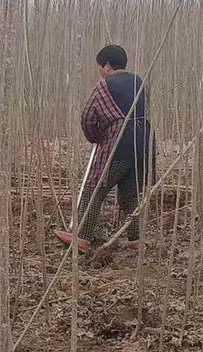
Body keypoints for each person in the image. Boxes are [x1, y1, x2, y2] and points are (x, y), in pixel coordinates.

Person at [58, 44, 153, 252]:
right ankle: (137, 240)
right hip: (145, 143)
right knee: (132, 193)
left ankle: (82, 237)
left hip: (118, 143)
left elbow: (88, 117)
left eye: (101, 67)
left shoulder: (104, 85)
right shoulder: (140, 82)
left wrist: (97, 137)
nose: (100, 72)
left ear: (107, 66)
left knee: (95, 188)